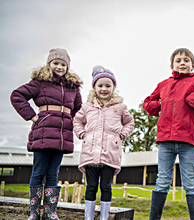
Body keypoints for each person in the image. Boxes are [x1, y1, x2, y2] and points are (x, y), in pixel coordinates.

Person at [143, 48, 194, 220]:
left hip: (188, 141)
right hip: (165, 140)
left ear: (192, 65)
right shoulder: (164, 84)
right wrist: (158, 105)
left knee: (190, 182)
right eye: (178, 60)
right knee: (162, 181)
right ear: (172, 65)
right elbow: (148, 103)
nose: (182, 62)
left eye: (186, 60)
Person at [10, 48, 83, 220]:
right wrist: (32, 116)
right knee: (38, 172)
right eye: (56, 63)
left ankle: (50, 212)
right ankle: (34, 212)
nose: (59, 67)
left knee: (53, 173)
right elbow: (17, 95)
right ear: (49, 64)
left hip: (61, 135)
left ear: (67, 67)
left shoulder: (73, 87)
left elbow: (78, 108)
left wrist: (69, 121)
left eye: (63, 64)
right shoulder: (40, 82)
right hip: (42, 132)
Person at [73, 65, 134, 220]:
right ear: (94, 87)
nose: (104, 89)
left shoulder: (120, 107)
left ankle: (104, 217)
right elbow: (77, 121)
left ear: (113, 87)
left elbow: (129, 122)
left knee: (106, 186)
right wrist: (81, 133)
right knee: (91, 186)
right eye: (100, 85)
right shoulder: (87, 106)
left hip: (110, 153)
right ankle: (89, 216)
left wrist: (123, 134)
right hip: (90, 153)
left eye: (108, 85)